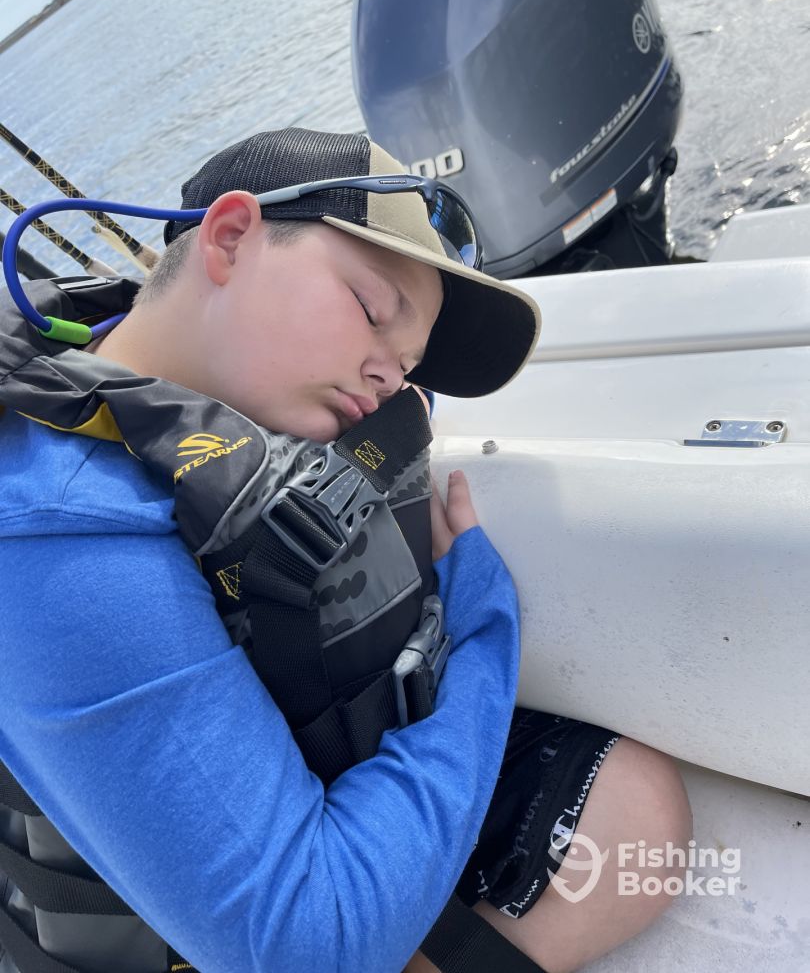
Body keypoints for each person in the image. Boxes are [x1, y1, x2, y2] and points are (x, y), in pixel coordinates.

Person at [0, 128, 691, 973]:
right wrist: (482, 634)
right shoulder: (62, 535)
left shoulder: (152, 371)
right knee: (628, 823)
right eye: (370, 310)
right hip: (230, 940)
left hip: (307, 778)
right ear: (229, 238)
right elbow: (311, 948)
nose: (391, 380)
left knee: (635, 817)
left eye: (407, 365)